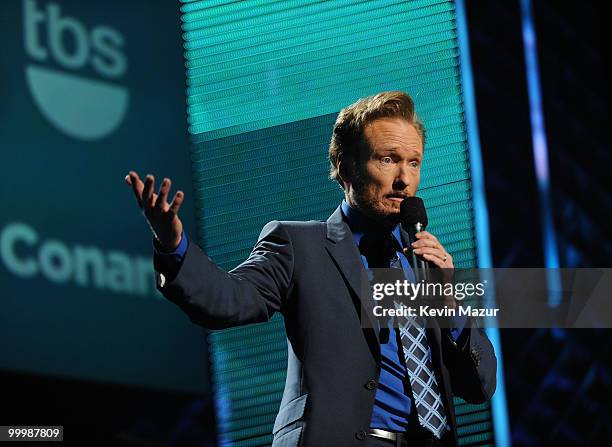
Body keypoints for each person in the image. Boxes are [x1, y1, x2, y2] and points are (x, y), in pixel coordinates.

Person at [125, 91, 496, 447]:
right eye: (387, 159)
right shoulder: (299, 245)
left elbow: (479, 387)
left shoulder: (425, 264)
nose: (404, 179)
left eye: (413, 162)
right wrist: (173, 246)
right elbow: (227, 300)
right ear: (344, 167)